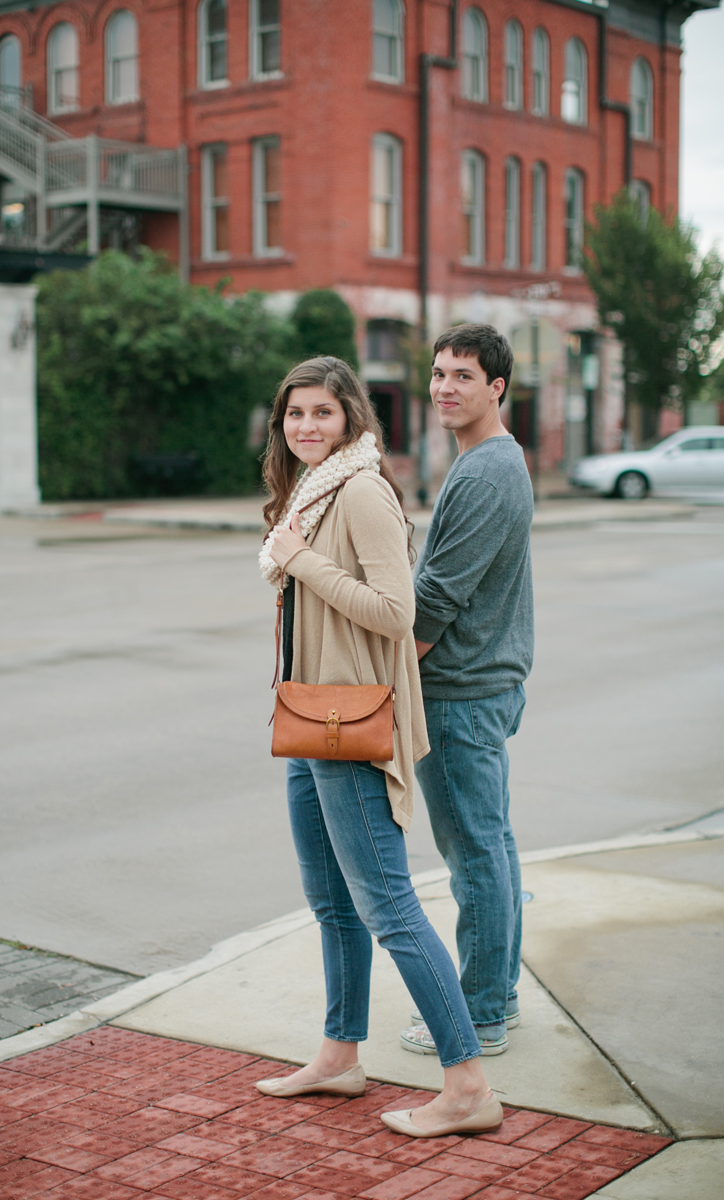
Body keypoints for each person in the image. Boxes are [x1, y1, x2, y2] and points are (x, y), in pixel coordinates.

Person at [255, 356, 503, 1138]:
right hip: (307, 715)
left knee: (388, 905)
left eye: (322, 413)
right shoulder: (310, 488)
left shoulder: (359, 490)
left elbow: (396, 613)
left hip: (351, 721)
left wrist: (302, 562)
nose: (306, 427)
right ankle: (339, 1055)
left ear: (351, 417)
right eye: (295, 414)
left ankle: (467, 1083)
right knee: (332, 904)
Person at [400, 324, 534, 1060]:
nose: (446, 387)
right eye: (439, 372)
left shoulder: (483, 474)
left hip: (457, 695)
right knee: (494, 848)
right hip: (486, 685)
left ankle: (479, 1014)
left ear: (497, 388)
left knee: (476, 857)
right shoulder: (498, 461)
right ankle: (500, 996)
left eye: (463, 376)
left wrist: (391, 680)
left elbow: (433, 605)